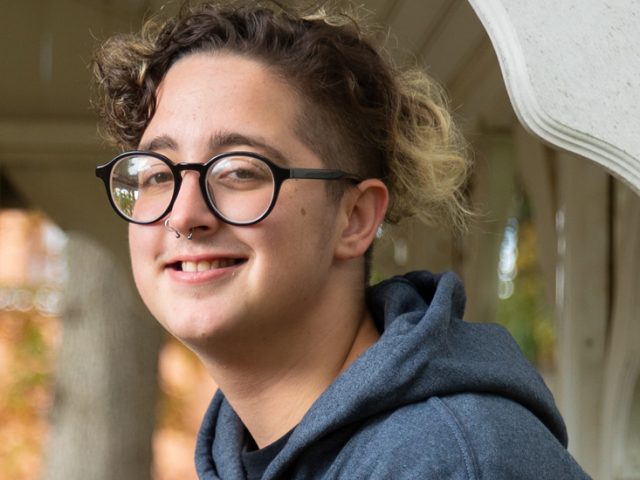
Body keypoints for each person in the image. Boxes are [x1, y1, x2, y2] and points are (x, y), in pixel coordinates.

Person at [93, 1, 590, 478]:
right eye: (157, 174)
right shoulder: (251, 452)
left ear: (354, 218)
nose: (184, 214)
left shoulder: (445, 461)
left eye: (240, 171)